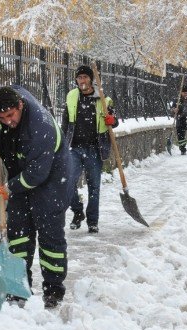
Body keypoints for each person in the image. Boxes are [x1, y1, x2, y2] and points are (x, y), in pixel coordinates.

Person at [0, 86, 72, 308]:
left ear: (21, 105)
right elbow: (10, 91)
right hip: (22, 171)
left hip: (52, 179)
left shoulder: (40, 128)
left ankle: (53, 289)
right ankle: (19, 287)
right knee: (18, 232)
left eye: (10, 115)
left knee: (49, 235)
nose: (7, 121)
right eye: (1, 117)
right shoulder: (10, 105)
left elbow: (37, 173)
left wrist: (11, 187)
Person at [62, 65, 119, 233]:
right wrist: (62, 145)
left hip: (95, 148)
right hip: (75, 148)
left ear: (91, 80)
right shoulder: (72, 97)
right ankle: (78, 211)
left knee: (94, 187)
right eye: (79, 78)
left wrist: (111, 120)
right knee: (68, 182)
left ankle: (93, 221)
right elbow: (65, 122)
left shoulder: (103, 99)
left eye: (85, 77)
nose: (82, 81)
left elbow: (115, 121)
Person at [170, 84, 187, 155]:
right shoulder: (177, 99)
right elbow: (172, 111)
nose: (186, 94)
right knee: (181, 135)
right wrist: (174, 110)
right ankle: (182, 150)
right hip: (180, 119)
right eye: (184, 93)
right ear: (181, 92)